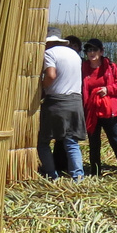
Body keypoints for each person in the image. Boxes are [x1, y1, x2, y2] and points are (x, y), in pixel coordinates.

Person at [37, 27, 86, 181]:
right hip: (75, 102)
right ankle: (78, 176)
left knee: (43, 141)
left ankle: (52, 175)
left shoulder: (50, 53)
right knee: (71, 142)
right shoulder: (74, 54)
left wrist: (43, 87)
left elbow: (51, 75)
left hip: (56, 102)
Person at [81, 38, 117, 175]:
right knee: (93, 142)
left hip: (110, 111)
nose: (91, 53)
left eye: (94, 49)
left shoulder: (111, 67)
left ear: (101, 51)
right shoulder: (83, 68)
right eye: (88, 50)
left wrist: (108, 89)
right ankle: (95, 171)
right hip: (92, 111)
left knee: (114, 139)